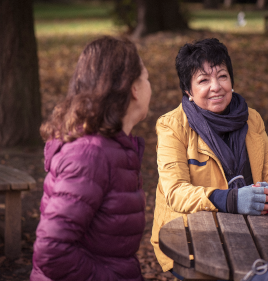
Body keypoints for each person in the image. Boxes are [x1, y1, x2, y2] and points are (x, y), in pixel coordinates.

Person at [150, 38, 268, 279]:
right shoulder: (172, 126)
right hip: (192, 239)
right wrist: (230, 199)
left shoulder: (251, 118)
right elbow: (175, 192)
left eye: (222, 76)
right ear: (188, 91)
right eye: (203, 80)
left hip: (253, 231)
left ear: (232, 81)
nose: (216, 86)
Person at [30, 36, 151, 281]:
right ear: (134, 89)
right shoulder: (90, 156)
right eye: (147, 78)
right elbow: (51, 251)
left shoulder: (112, 149)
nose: (151, 85)